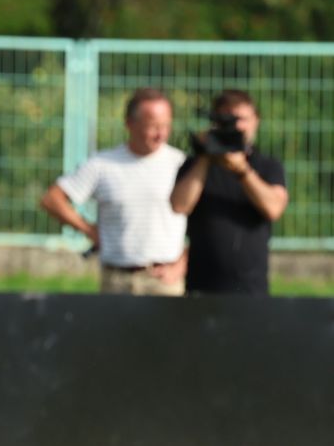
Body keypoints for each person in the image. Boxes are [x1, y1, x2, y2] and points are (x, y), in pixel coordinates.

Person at [39, 87, 188, 296]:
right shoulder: (103, 164)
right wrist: (89, 230)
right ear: (130, 124)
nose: (160, 134)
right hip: (116, 279)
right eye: (152, 126)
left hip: (164, 280)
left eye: (166, 125)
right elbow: (52, 199)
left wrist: (184, 261)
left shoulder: (181, 164)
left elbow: (207, 220)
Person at [170, 89, 289, 295]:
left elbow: (274, 209)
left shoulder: (267, 166)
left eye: (242, 119)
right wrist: (206, 155)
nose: (236, 126)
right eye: (228, 120)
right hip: (202, 286)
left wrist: (243, 170)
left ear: (255, 121)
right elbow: (179, 205)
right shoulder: (195, 165)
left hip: (251, 287)